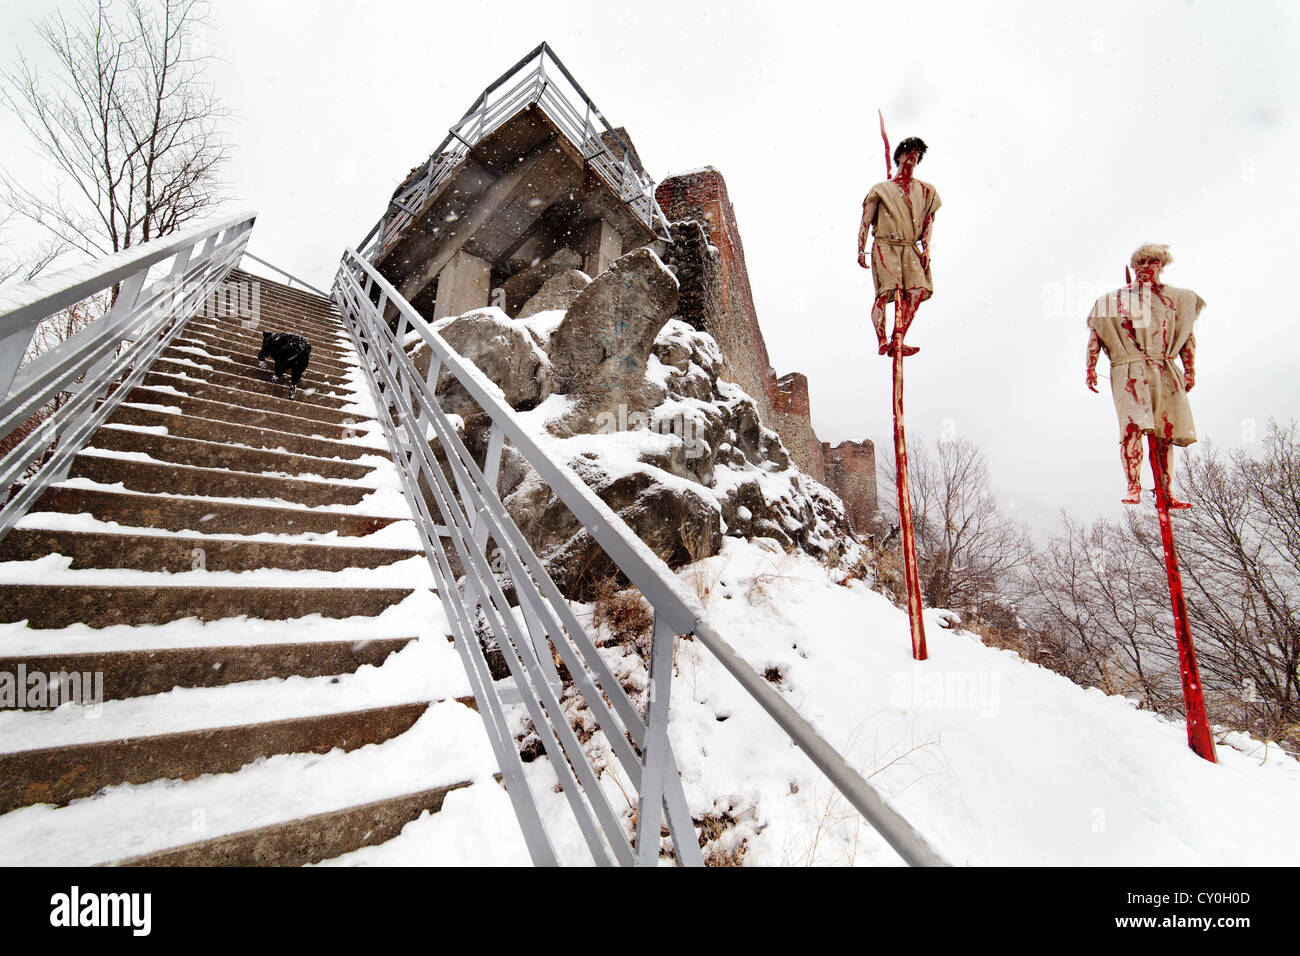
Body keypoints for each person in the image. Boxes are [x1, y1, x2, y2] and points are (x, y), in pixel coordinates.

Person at [1086, 243, 1205, 506]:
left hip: (1164, 366)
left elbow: (1187, 337)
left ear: (1161, 266)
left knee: (1165, 431)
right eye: (1140, 263)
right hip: (1128, 369)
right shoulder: (1111, 300)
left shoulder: (1179, 299)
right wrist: (1090, 367)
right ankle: (1133, 485)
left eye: (1152, 263)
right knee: (1132, 427)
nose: (1145, 268)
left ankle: (1166, 490)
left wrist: (1190, 370)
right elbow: (1096, 335)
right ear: (1134, 266)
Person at [857, 136, 941, 356]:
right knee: (886, 293)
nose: (913, 154)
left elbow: (928, 223)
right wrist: (860, 249)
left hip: (910, 247)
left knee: (918, 290)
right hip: (886, 245)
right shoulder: (881, 190)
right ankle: (882, 339)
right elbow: (865, 221)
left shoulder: (925, 190)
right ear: (900, 155)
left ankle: (898, 338)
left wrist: (927, 249)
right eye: (909, 150)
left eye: (917, 152)